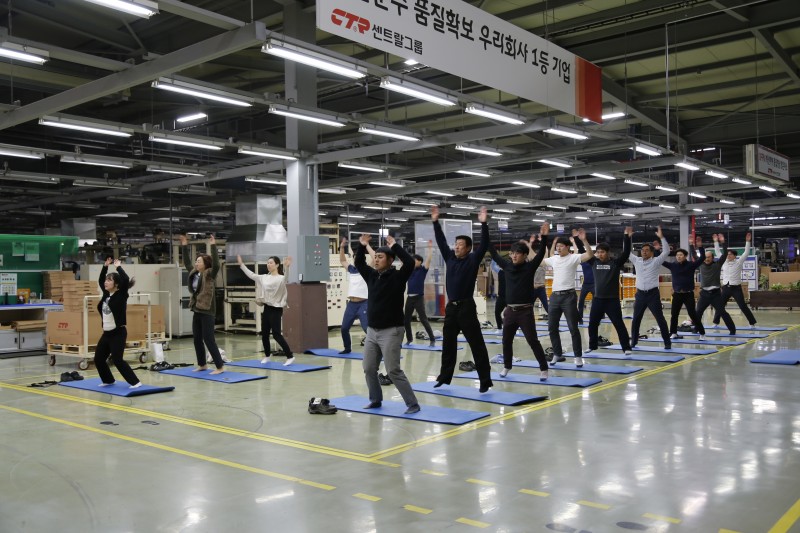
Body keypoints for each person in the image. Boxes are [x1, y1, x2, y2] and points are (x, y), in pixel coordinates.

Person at [354, 233, 420, 414]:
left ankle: (412, 404)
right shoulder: (371, 276)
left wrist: (395, 246)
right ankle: (375, 400)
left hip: (392, 331)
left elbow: (409, 263)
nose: (376, 260)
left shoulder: (398, 277)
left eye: (380, 257)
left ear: (390, 260)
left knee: (393, 370)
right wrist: (362, 246)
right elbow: (359, 263)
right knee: (368, 368)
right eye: (375, 257)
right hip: (372, 331)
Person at [431, 205, 493, 393]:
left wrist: (484, 224)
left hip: (466, 307)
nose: (456, 246)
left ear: (468, 248)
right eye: (456, 243)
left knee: (476, 344)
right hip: (451, 308)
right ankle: (444, 377)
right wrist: (435, 222)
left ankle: (485, 380)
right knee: (448, 344)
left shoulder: (472, 260)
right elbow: (441, 241)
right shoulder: (450, 258)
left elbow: (484, 244)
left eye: (460, 244)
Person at [489, 224, 550, 379]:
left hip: (525, 312)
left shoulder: (530, 267)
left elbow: (541, 254)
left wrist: (544, 237)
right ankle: (507, 366)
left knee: (532, 341)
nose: (514, 256)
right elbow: (494, 254)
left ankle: (544, 368)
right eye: (512, 253)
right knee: (506, 341)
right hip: (510, 311)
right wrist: (485, 231)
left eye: (517, 253)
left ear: (524, 255)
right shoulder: (507, 266)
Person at [543, 229, 593, 367]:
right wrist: (529, 247)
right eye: (557, 246)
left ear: (567, 247)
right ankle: (557, 353)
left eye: (561, 246)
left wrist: (584, 240)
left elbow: (589, 255)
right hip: (554, 297)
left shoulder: (573, 258)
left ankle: (577, 356)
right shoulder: (554, 259)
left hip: (569, 297)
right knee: (552, 327)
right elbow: (538, 261)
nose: (558, 248)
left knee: (573, 328)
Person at [584, 227, 633, 356]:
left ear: (608, 253)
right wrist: (583, 240)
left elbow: (626, 253)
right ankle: (592, 345)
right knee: (592, 324)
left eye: (602, 252)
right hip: (597, 300)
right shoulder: (594, 262)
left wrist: (626, 237)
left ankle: (626, 347)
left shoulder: (615, 263)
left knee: (619, 324)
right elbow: (585, 252)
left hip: (612, 301)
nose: (600, 254)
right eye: (598, 252)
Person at [238, 254, 294, 365]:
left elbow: (286, 277)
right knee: (264, 334)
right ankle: (267, 356)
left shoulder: (281, 278)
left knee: (276, 334)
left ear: (277, 265)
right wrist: (242, 265)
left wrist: (287, 267)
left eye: (271, 263)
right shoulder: (264, 277)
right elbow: (252, 275)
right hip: (267, 308)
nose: (268, 265)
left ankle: (290, 356)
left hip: (276, 309)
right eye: (267, 263)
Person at [181, 234, 225, 374]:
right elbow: (187, 263)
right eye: (196, 261)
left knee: (209, 339)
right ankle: (202, 364)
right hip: (197, 309)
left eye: (199, 261)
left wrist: (213, 245)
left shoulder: (210, 274)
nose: (196, 263)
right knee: (197, 339)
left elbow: (216, 264)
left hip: (207, 311)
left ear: (205, 264)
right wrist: (184, 246)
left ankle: (219, 367)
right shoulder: (195, 273)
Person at [94, 258, 141, 388]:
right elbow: (100, 280)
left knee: (117, 360)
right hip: (106, 334)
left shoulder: (121, 295)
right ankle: (108, 380)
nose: (106, 282)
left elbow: (125, 279)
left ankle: (135, 382)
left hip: (118, 333)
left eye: (109, 280)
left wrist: (118, 267)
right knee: (98, 359)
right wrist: (105, 266)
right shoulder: (106, 295)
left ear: (116, 284)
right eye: (106, 280)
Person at [628, 227, 672, 349]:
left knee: (660, 319)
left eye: (647, 250)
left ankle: (667, 342)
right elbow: (626, 251)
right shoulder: (636, 260)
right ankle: (634, 341)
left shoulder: (656, 261)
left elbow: (666, 251)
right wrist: (627, 237)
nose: (644, 252)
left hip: (653, 295)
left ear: (652, 252)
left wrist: (662, 237)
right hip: (640, 295)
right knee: (636, 319)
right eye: (643, 250)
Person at [662, 235, 707, 340]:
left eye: (681, 255)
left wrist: (699, 246)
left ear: (685, 256)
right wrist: (656, 250)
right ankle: (673, 333)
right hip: (677, 294)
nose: (678, 256)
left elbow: (702, 258)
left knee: (693, 315)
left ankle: (702, 333)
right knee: (674, 315)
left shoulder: (691, 265)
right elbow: (660, 261)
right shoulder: (673, 265)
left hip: (688, 294)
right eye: (677, 255)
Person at [713, 232, 757, 327]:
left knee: (742, 306)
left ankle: (752, 323)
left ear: (735, 256)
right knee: (720, 306)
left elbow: (746, 252)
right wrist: (716, 242)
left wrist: (747, 241)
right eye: (727, 254)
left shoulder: (739, 262)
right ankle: (716, 322)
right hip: (725, 287)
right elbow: (717, 252)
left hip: (736, 288)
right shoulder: (724, 262)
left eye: (730, 254)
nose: (728, 256)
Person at [338, 237, 374, 354]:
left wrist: (366, 245)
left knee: (367, 328)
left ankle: (376, 349)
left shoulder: (367, 270)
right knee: (344, 328)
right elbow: (342, 261)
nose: (355, 260)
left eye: (357, 258)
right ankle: (347, 348)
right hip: (351, 304)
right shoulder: (352, 269)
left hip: (364, 303)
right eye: (354, 258)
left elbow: (374, 258)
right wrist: (342, 247)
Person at [696, 234, 737, 335]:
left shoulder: (717, 265)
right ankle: (696, 329)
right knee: (698, 312)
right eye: (705, 257)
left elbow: (725, 254)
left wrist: (723, 243)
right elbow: (693, 255)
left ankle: (732, 330)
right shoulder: (701, 264)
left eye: (709, 257)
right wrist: (697, 245)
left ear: (712, 258)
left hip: (715, 294)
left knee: (722, 312)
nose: (707, 259)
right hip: (704, 294)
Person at [403, 240, 436, 346]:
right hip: (409, 298)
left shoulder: (423, 270)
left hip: (418, 298)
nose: (413, 262)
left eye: (415, 260)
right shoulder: (410, 270)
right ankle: (409, 339)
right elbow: (404, 260)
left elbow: (429, 259)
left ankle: (432, 339)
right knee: (406, 320)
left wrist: (429, 249)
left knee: (423, 319)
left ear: (420, 262)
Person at [572, 228, 595, 324]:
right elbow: (580, 251)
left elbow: (584, 251)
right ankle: (580, 318)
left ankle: (598, 316)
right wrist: (575, 238)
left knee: (596, 301)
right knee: (581, 301)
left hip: (594, 284)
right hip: (585, 284)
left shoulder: (593, 262)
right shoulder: (583, 262)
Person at [531, 235, 549, 317]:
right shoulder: (532, 264)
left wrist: (542, 241)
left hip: (541, 288)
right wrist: (530, 243)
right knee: (529, 306)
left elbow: (546, 251)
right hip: (533, 288)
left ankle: (553, 319)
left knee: (546, 306)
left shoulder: (544, 264)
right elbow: (529, 252)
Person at [490, 259, 506, 329]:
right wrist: (494, 256)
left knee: (513, 314)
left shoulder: (512, 272)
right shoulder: (500, 272)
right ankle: (499, 327)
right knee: (497, 312)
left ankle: (513, 328)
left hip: (510, 297)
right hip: (501, 297)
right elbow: (493, 265)